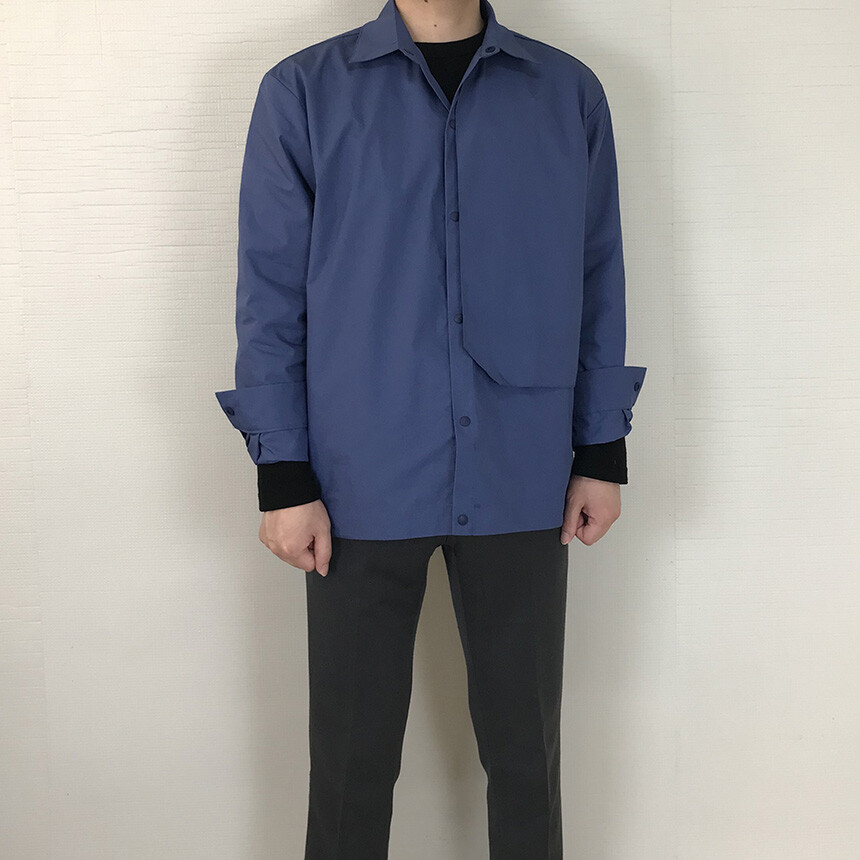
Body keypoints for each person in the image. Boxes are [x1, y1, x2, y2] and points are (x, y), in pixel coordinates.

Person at [215, 0, 647, 856]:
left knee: (527, 758)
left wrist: (601, 450)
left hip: (521, 466)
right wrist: (283, 474)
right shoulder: (303, 92)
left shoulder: (568, 94)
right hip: (357, 477)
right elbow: (270, 292)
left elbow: (598, 271)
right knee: (352, 762)